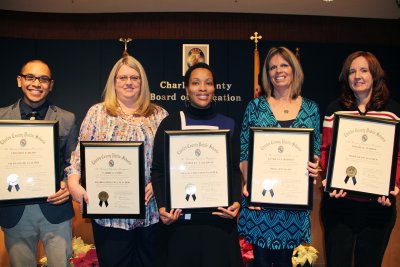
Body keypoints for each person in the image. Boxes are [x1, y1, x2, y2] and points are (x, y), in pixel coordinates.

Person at [66, 55, 168, 267]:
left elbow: (169, 160)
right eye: (122, 77)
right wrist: (73, 183)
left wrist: (157, 184)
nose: (129, 82)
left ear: (142, 82)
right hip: (109, 215)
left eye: (134, 77)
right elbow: (79, 156)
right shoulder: (97, 113)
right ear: (114, 82)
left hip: (150, 212)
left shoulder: (159, 115)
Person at [151, 62, 243, 267]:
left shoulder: (228, 124)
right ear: (186, 89)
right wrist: (163, 206)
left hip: (219, 222)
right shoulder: (171, 124)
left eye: (208, 83)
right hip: (181, 224)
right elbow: (157, 170)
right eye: (196, 83)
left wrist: (236, 201)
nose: (202, 88)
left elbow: (233, 169)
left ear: (214, 88)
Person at [237, 47, 321, 267]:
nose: (278, 71)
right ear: (267, 74)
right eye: (272, 67)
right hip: (260, 209)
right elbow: (245, 153)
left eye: (284, 65)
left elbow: (315, 151)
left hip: (294, 210)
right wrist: (250, 184)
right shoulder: (255, 107)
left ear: (294, 70)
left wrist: (315, 166)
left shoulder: (311, 109)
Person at [320, 51, 400, 267]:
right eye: (352, 71)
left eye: (364, 70)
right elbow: (326, 150)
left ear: (374, 75)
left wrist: (392, 184)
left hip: (378, 207)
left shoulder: (393, 111)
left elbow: (398, 155)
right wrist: (330, 180)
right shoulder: (334, 110)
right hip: (340, 205)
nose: (357, 76)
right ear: (346, 77)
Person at [0, 59, 78, 267]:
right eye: (30, 77)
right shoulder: (1, 118)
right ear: (19, 81)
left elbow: (74, 163)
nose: (37, 83)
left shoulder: (67, 119)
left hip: (56, 208)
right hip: (15, 211)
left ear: (50, 85)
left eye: (43, 79)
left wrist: (67, 185)